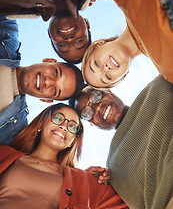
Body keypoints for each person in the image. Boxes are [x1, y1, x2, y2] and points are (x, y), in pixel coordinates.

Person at [71, 75, 173, 208]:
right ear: (93, 124)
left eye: (96, 96)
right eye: (87, 113)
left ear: (109, 90)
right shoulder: (111, 168)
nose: (97, 108)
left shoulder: (159, 86)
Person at [0, 103, 129, 209]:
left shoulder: (85, 182)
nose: (63, 126)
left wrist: (105, 181)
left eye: (72, 126)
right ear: (43, 123)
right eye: (58, 118)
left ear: (72, 141)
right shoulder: (4, 153)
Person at [82, 0, 173, 89]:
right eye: (108, 77)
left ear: (98, 44)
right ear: (123, 76)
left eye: (96, 64)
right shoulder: (168, 70)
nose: (106, 69)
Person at [0, 15, 84, 145]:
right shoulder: (8, 32)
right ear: (49, 61)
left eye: (55, 90)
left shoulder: (16, 131)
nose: (48, 82)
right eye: (56, 73)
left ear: (46, 100)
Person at [0, 0, 111, 63]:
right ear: (87, 24)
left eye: (62, 45)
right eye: (79, 41)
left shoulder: (10, 5)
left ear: (49, 33)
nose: (69, 39)